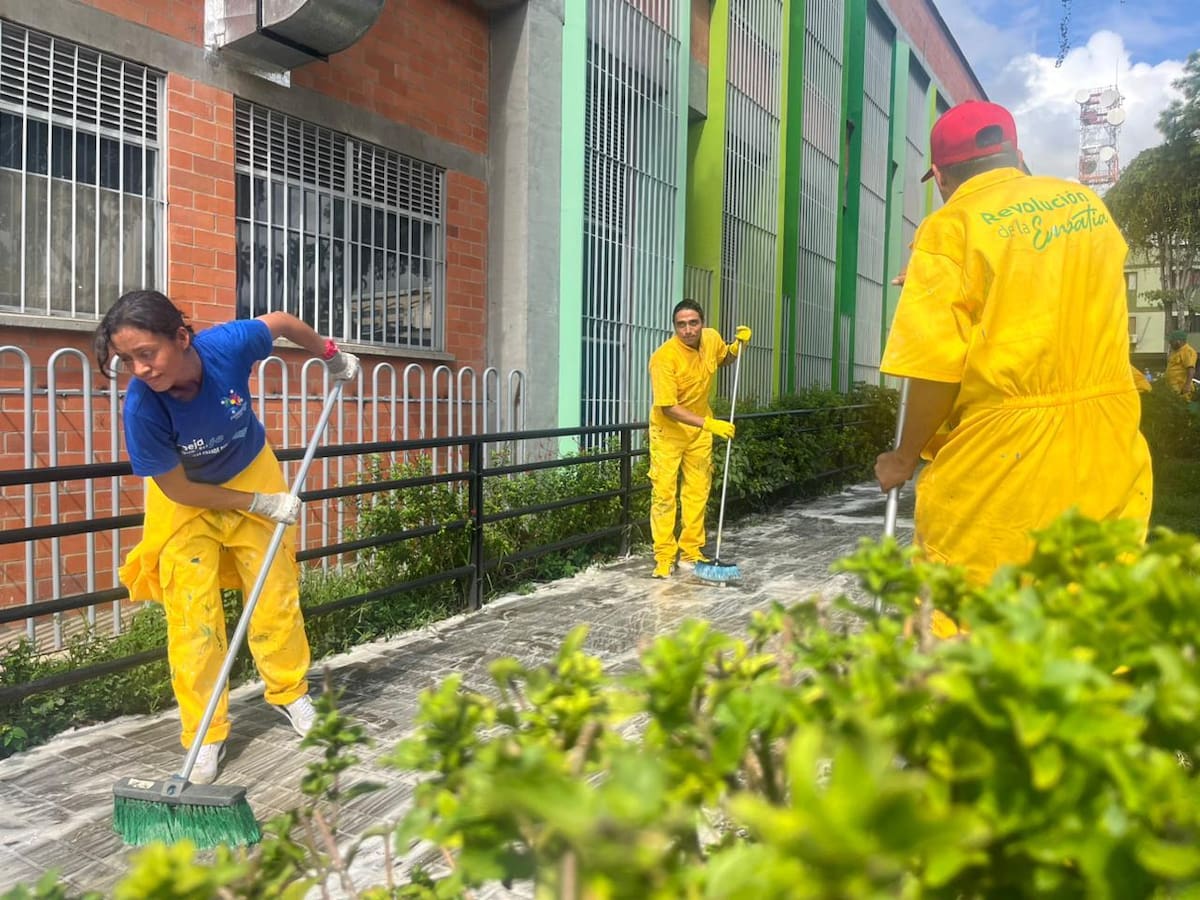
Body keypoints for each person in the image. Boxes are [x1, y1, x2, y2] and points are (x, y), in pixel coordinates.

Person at [874, 100, 1152, 596]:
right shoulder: (1086, 206)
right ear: (1017, 155)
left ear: (940, 176)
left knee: (976, 618)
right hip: (1107, 441)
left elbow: (936, 370)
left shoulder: (950, 226)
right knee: (1093, 609)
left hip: (1005, 459)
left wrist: (903, 456)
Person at [93, 290, 359, 784]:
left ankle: (289, 692)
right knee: (193, 617)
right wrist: (259, 506)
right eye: (127, 360)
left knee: (274, 590)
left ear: (181, 336)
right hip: (184, 500)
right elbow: (178, 487)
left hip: (249, 469)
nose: (141, 369)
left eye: (146, 354)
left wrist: (330, 355)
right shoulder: (142, 409)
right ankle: (204, 731)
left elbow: (279, 320)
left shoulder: (227, 347)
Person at [647, 299, 750, 578]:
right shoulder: (663, 359)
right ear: (674, 327)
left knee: (697, 493)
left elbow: (723, 358)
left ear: (702, 323)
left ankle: (691, 552)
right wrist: (709, 424)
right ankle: (664, 556)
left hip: (700, 431)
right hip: (668, 432)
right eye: (681, 324)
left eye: (693, 323)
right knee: (665, 495)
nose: (688, 330)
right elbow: (669, 407)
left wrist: (735, 348)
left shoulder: (711, 338)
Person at [1165, 329, 1196, 397]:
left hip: (1182, 389)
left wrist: (1187, 385)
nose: (1170, 343)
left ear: (1178, 341)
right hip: (1173, 388)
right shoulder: (1175, 352)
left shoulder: (1187, 351)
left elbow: (1190, 369)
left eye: (1171, 341)